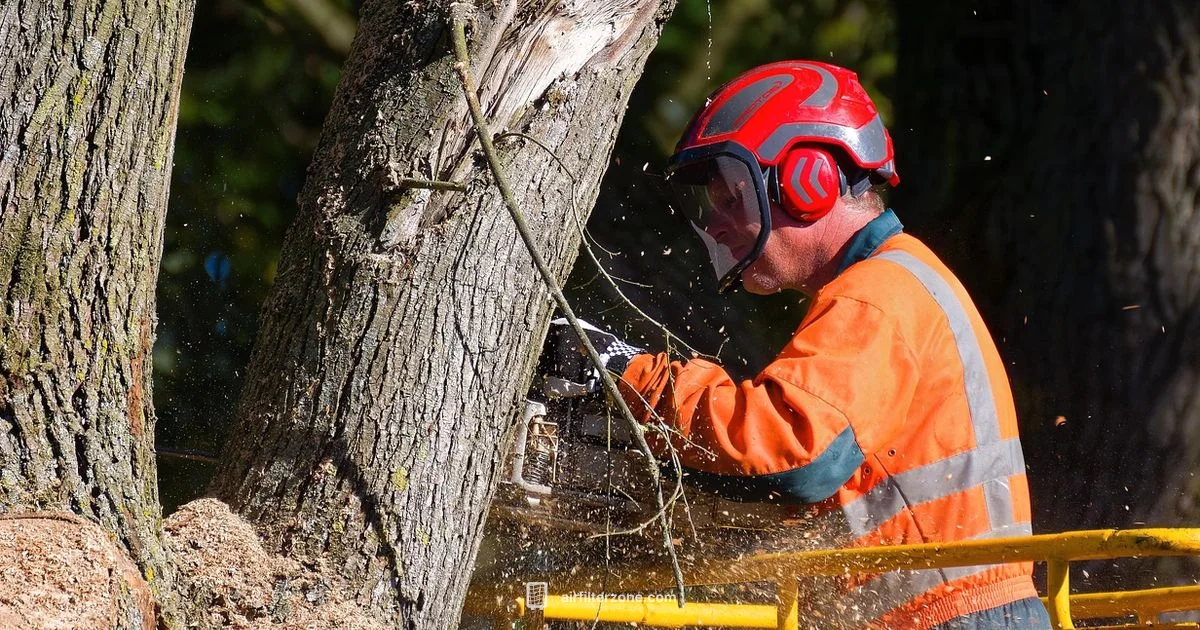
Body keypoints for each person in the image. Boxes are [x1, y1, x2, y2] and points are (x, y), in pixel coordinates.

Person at [539, 61, 1050, 629]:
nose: (722, 224)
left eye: (733, 197)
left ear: (810, 180)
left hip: (949, 617)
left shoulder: (878, 294)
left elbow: (797, 454)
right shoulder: (890, 286)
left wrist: (628, 378)